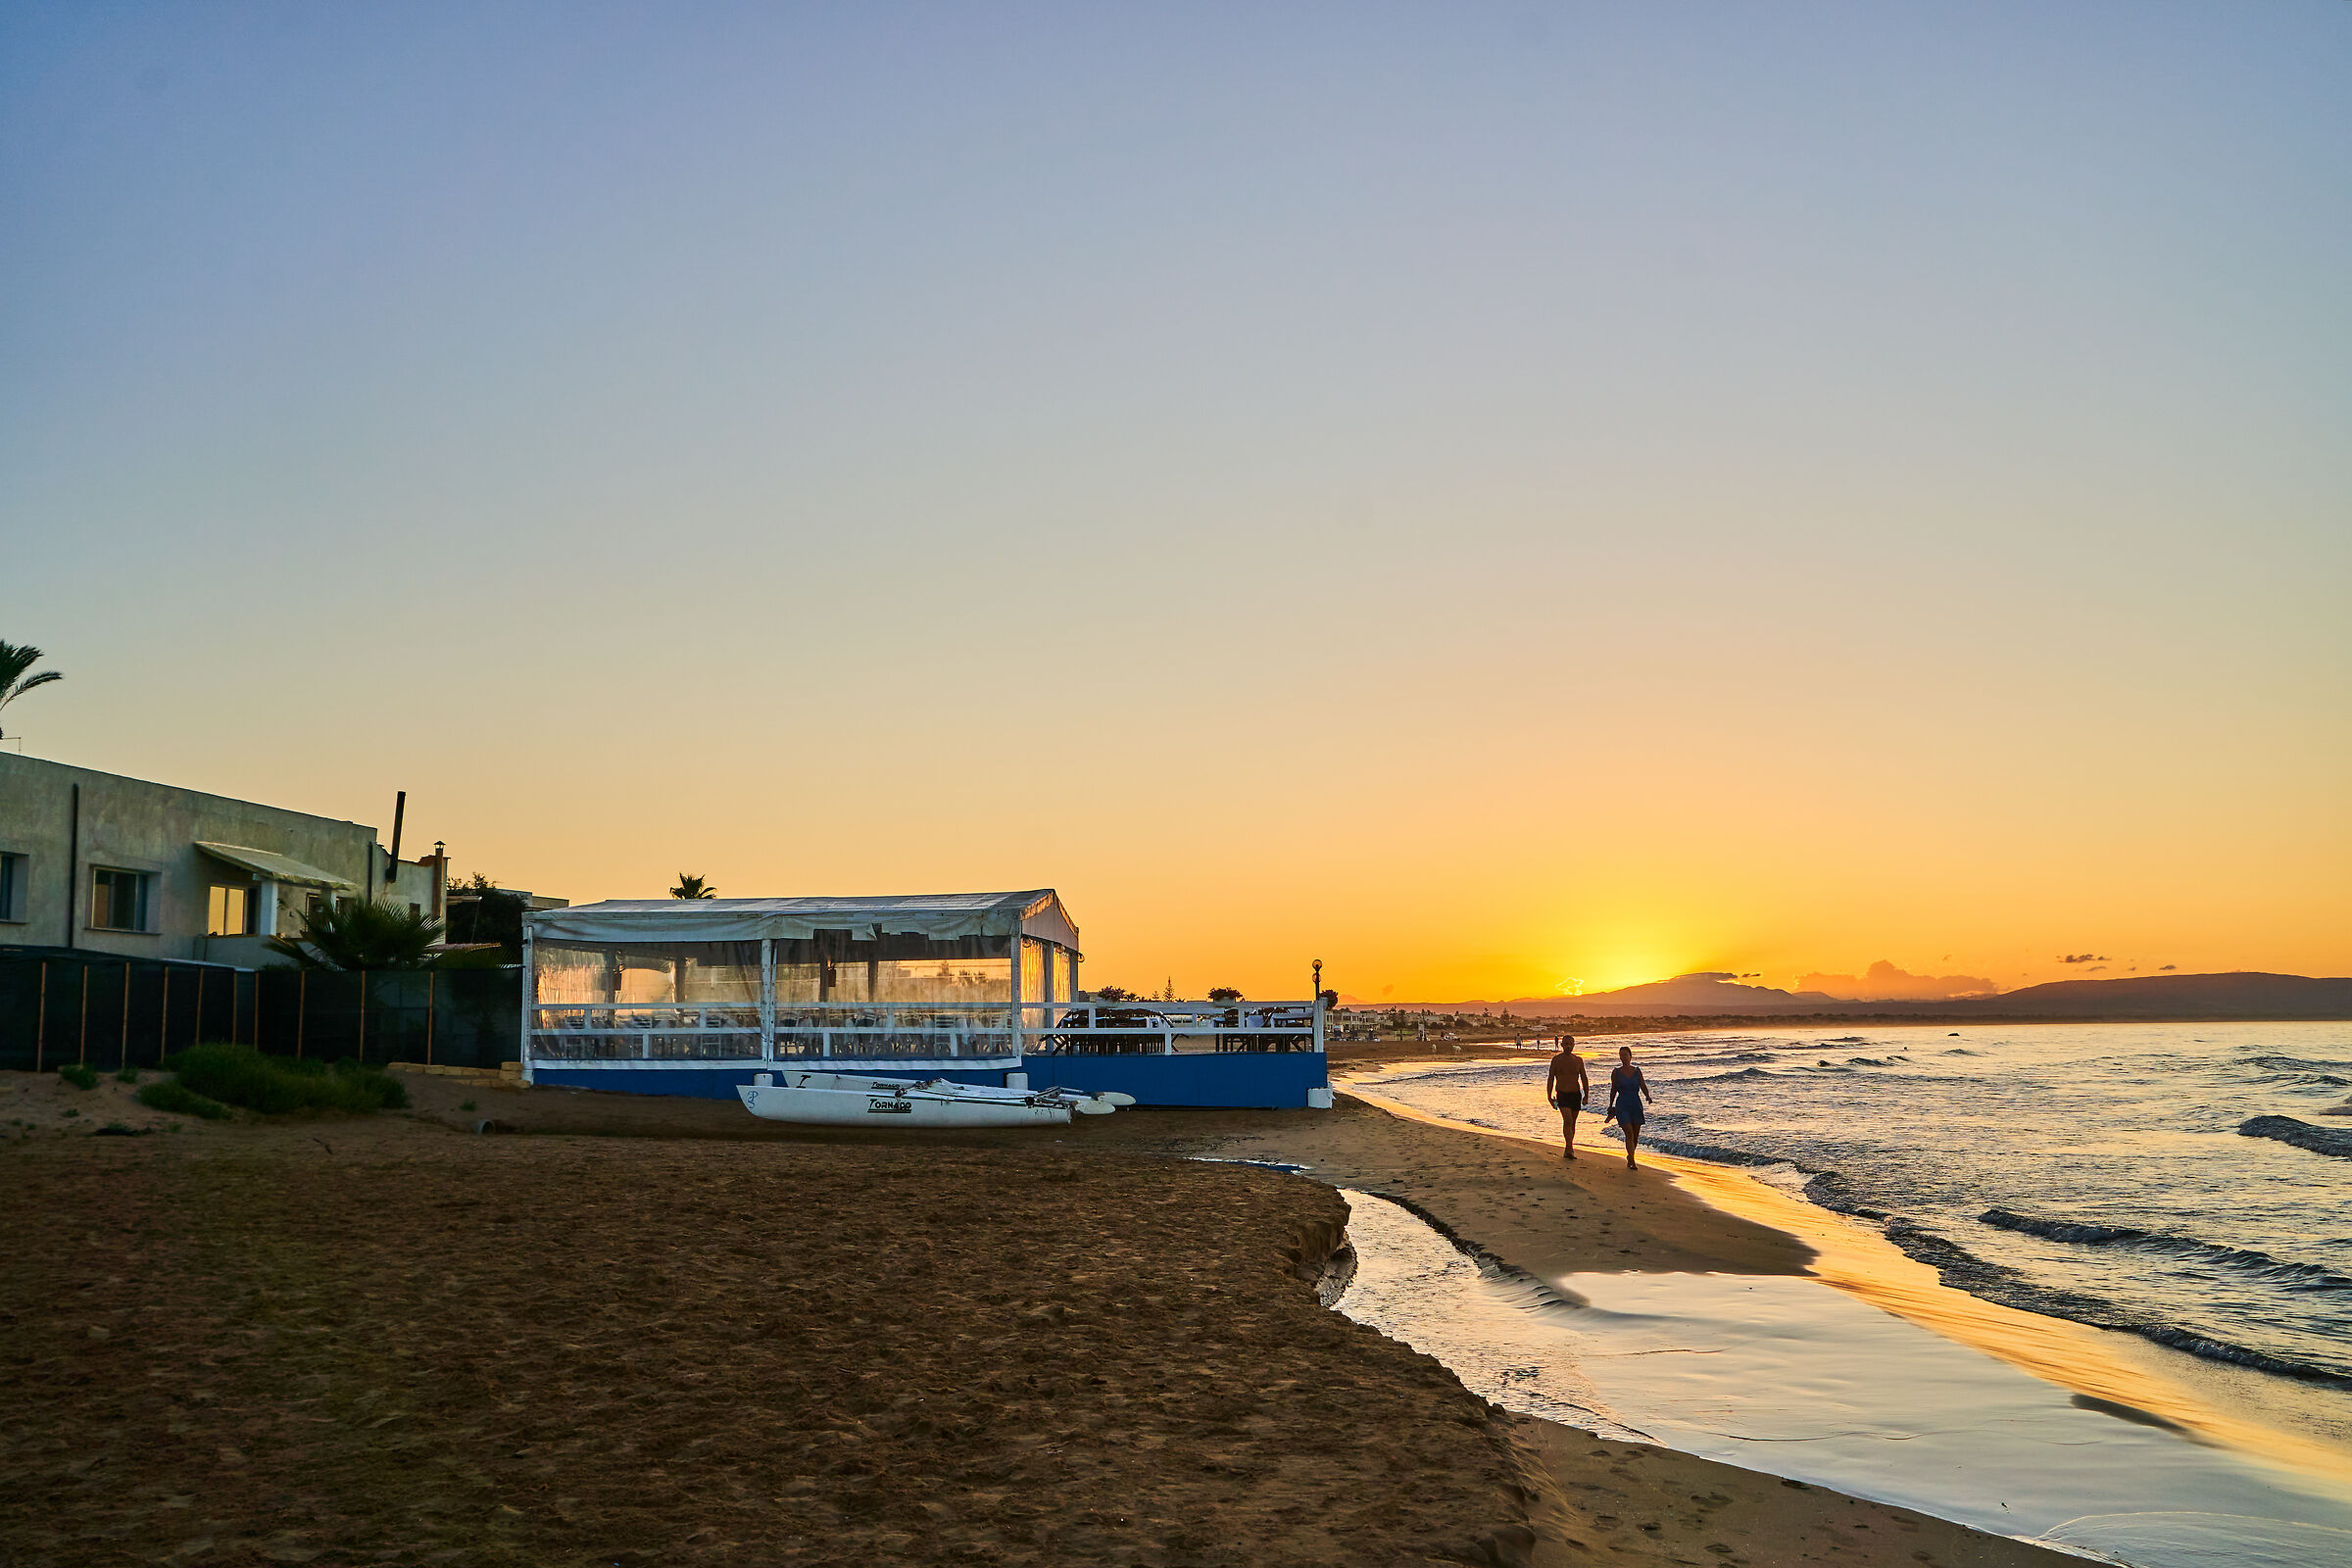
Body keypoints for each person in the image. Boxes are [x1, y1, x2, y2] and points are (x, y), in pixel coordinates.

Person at [1605, 1046, 1653, 1169]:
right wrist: (1610, 1105)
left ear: (1630, 1056)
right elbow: (1614, 1089)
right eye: (1621, 1055)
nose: (1623, 1057)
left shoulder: (1637, 1071)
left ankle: (1630, 1155)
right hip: (1622, 1104)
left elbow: (1642, 1085)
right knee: (1629, 1133)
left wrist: (1647, 1096)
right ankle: (1632, 1160)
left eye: (1625, 1055)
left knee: (1636, 1136)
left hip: (1635, 1104)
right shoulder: (1616, 1072)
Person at [1544, 1035, 1591, 1159]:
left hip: (1575, 1094)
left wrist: (1586, 1095)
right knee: (1568, 1121)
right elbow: (1551, 1078)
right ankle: (1569, 1148)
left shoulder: (1578, 1060)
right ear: (1562, 1045)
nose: (1568, 1046)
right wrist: (1549, 1096)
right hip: (1562, 1094)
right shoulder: (1556, 1060)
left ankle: (1568, 1147)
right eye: (1566, 1044)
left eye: (1570, 1044)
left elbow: (1584, 1078)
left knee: (1573, 1123)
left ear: (1574, 1045)